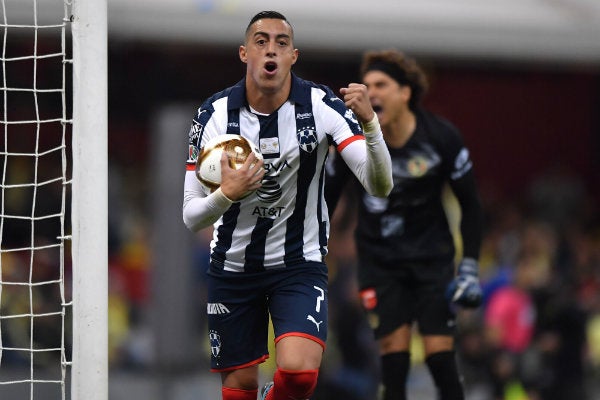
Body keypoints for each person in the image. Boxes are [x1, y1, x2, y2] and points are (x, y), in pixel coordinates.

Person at [182, 11, 393, 400]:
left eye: (281, 42)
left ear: (293, 56)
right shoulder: (213, 115)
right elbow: (191, 215)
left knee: (299, 374)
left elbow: (379, 185)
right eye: (261, 41)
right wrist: (226, 193)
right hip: (233, 266)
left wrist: (370, 126)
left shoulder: (322, 105)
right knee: (238, 387)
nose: (271, 50)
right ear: (244, 53)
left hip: (299, 263)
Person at [325, 49, 484, 400]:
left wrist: (470, 265)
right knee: (393, 358)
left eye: (381, 84)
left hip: (432, 259)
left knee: (439, 356)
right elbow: (327, 200)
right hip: (380, 262)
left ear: (405, 93)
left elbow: (471, 206)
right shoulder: (352, 141)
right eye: (366, 85)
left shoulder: (442, 138)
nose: (371, 92)